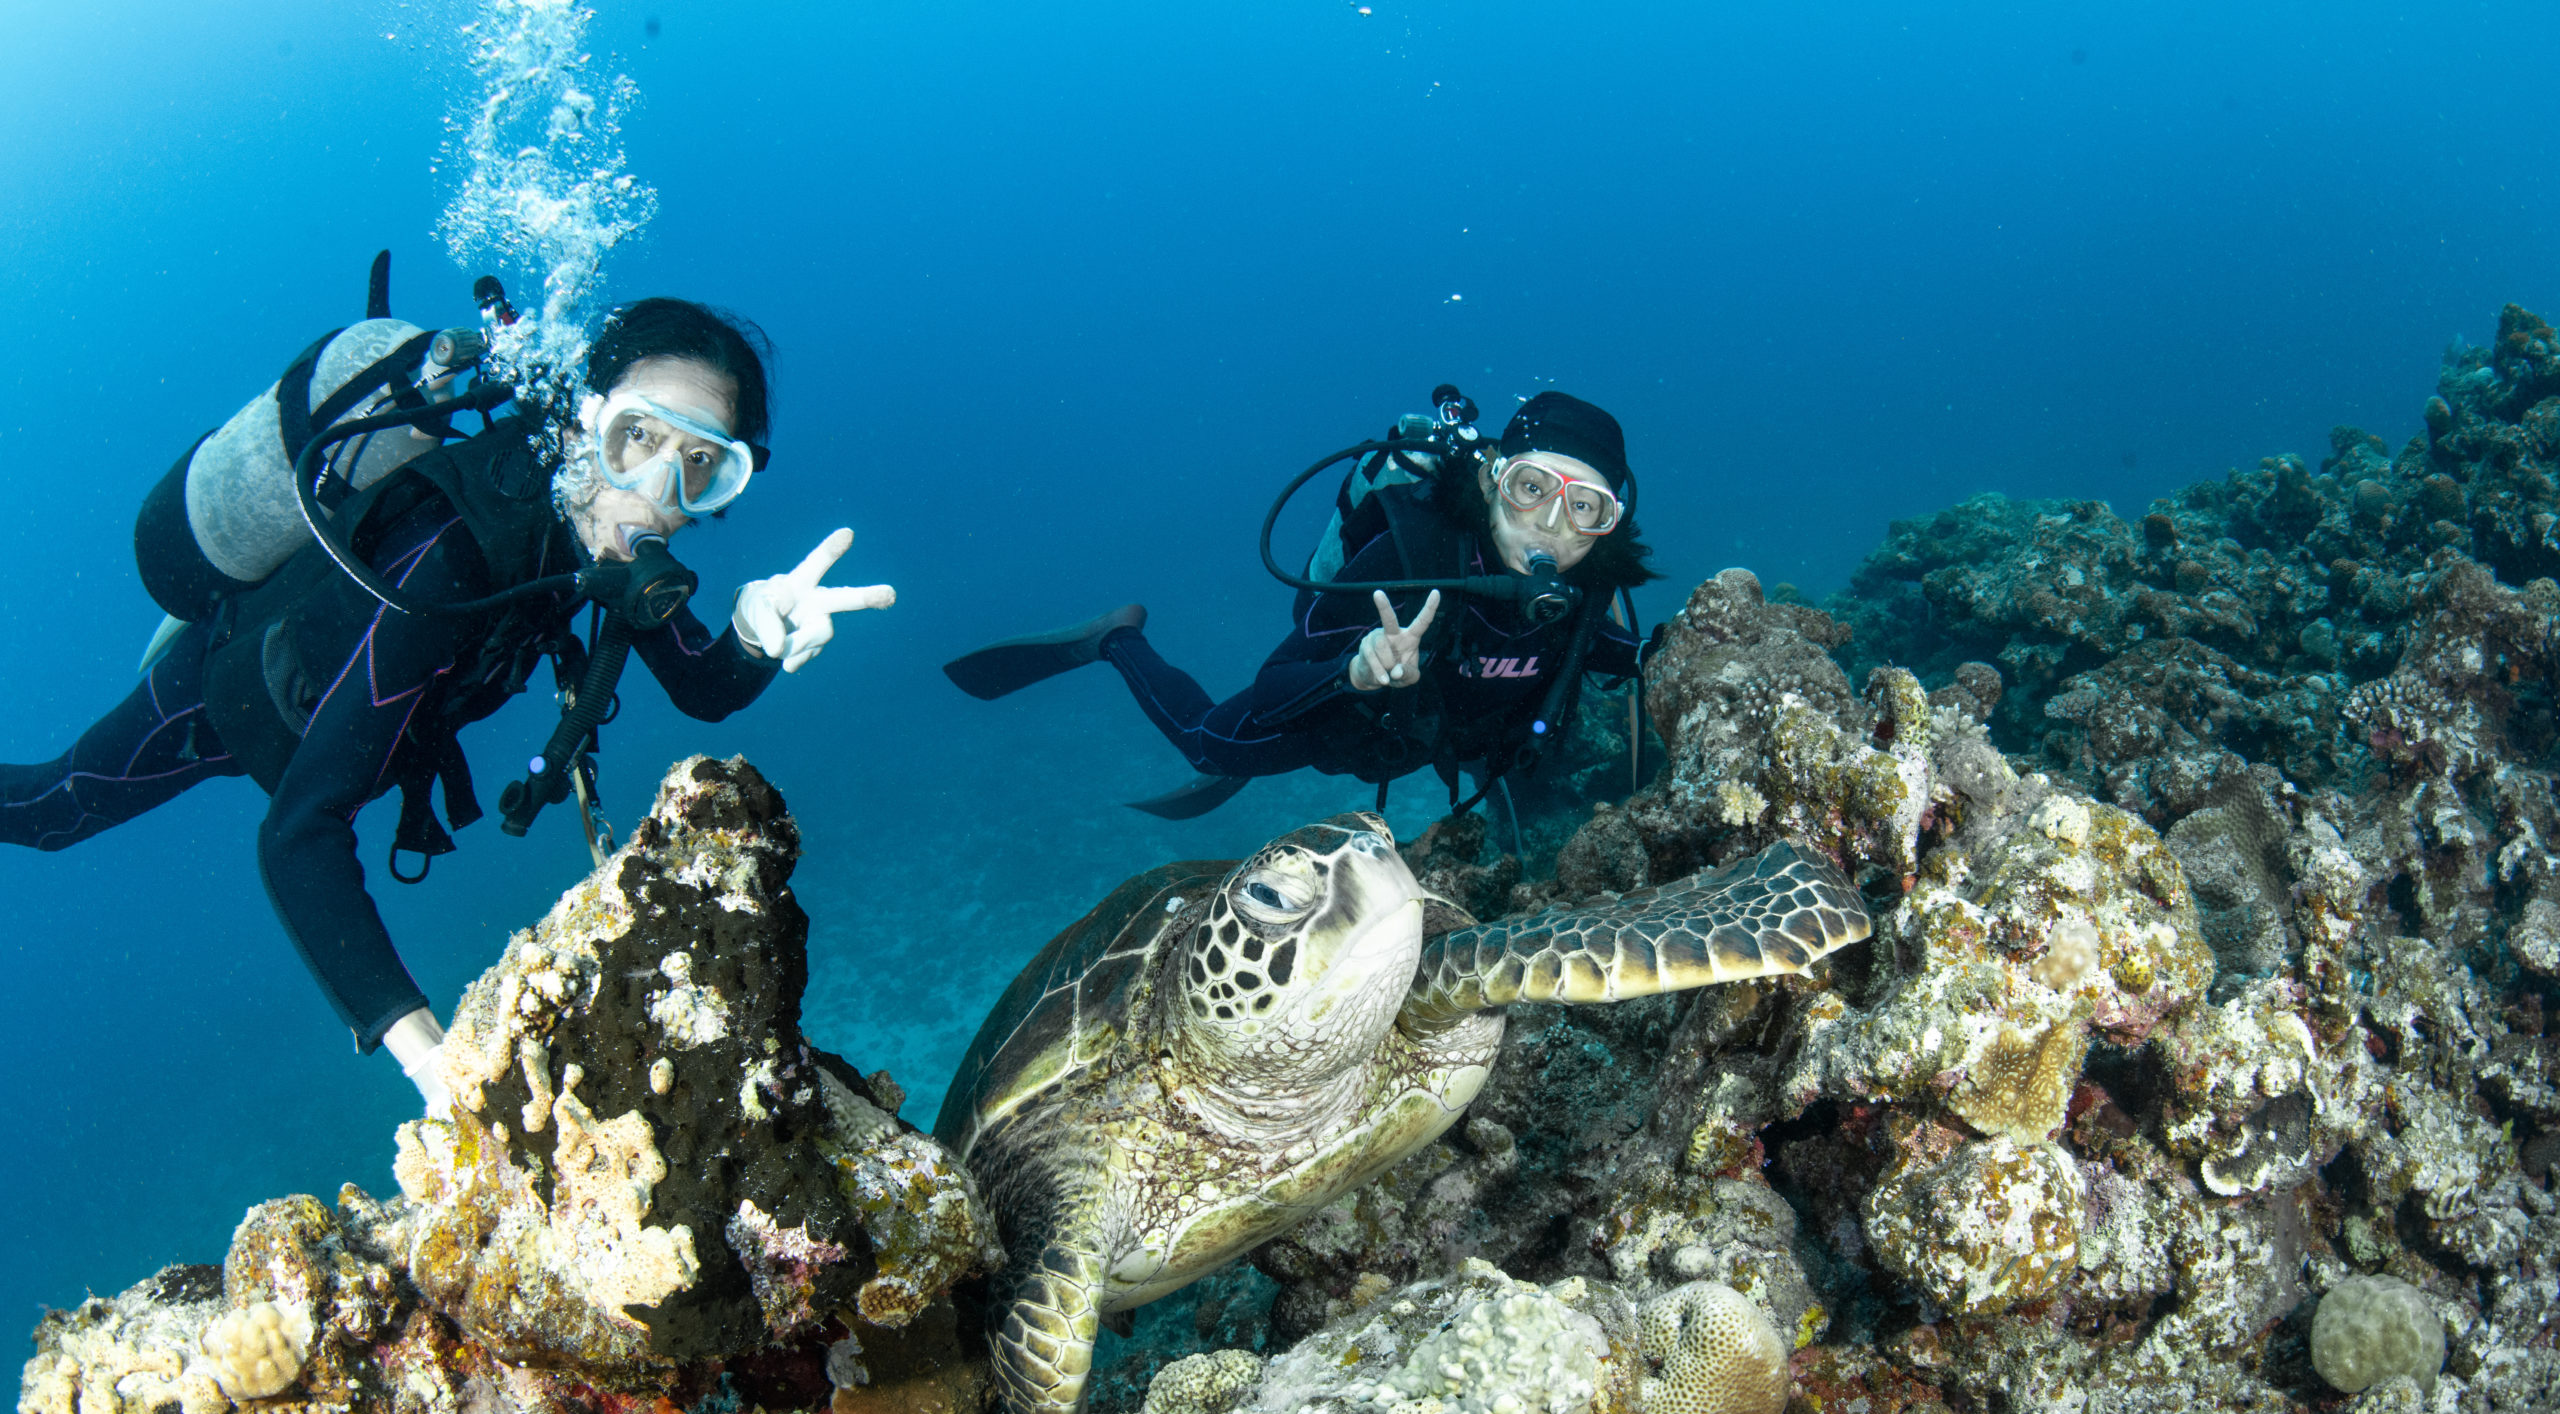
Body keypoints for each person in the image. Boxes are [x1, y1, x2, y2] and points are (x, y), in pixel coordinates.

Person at [0, 298, 893, 1111]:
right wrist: (432, 1061)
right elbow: (299, 832)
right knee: (49, 811)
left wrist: (753, 630)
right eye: (637, 437)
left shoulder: (599, 534)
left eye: (702, 466)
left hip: (358, 718)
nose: (659, 491)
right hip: (229, 697)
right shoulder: (456, 549)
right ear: (582, 424)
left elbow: (703, 687)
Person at [944, 391, 1655, 816]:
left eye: (1584, 506)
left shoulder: (1589, 587)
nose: (1551, 525)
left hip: (1446, 731)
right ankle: (1115, 638)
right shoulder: (1408, 558)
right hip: (1354, 717)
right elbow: (1277, 681)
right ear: (1492, 480)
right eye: (1532, 487)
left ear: (1610, 522)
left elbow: (1612, 651)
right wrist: (1357, 670)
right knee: (1211, 745)